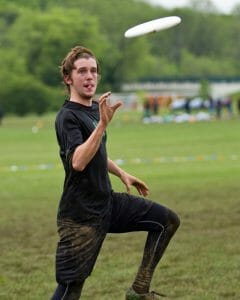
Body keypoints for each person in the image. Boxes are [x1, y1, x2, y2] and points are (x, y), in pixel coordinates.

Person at [51, 46, 180, 300]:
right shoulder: (67, 117)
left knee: (167, 221)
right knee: (71, 288)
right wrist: (102, 125)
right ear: (68, 78)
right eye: (82, 71)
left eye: (94, 71)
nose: (90, 76)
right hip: (81, 216)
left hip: (107, 203)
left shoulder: (92, 110)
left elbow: (96, 151)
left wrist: (121, 172)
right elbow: (78, 160)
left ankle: (139, 290)